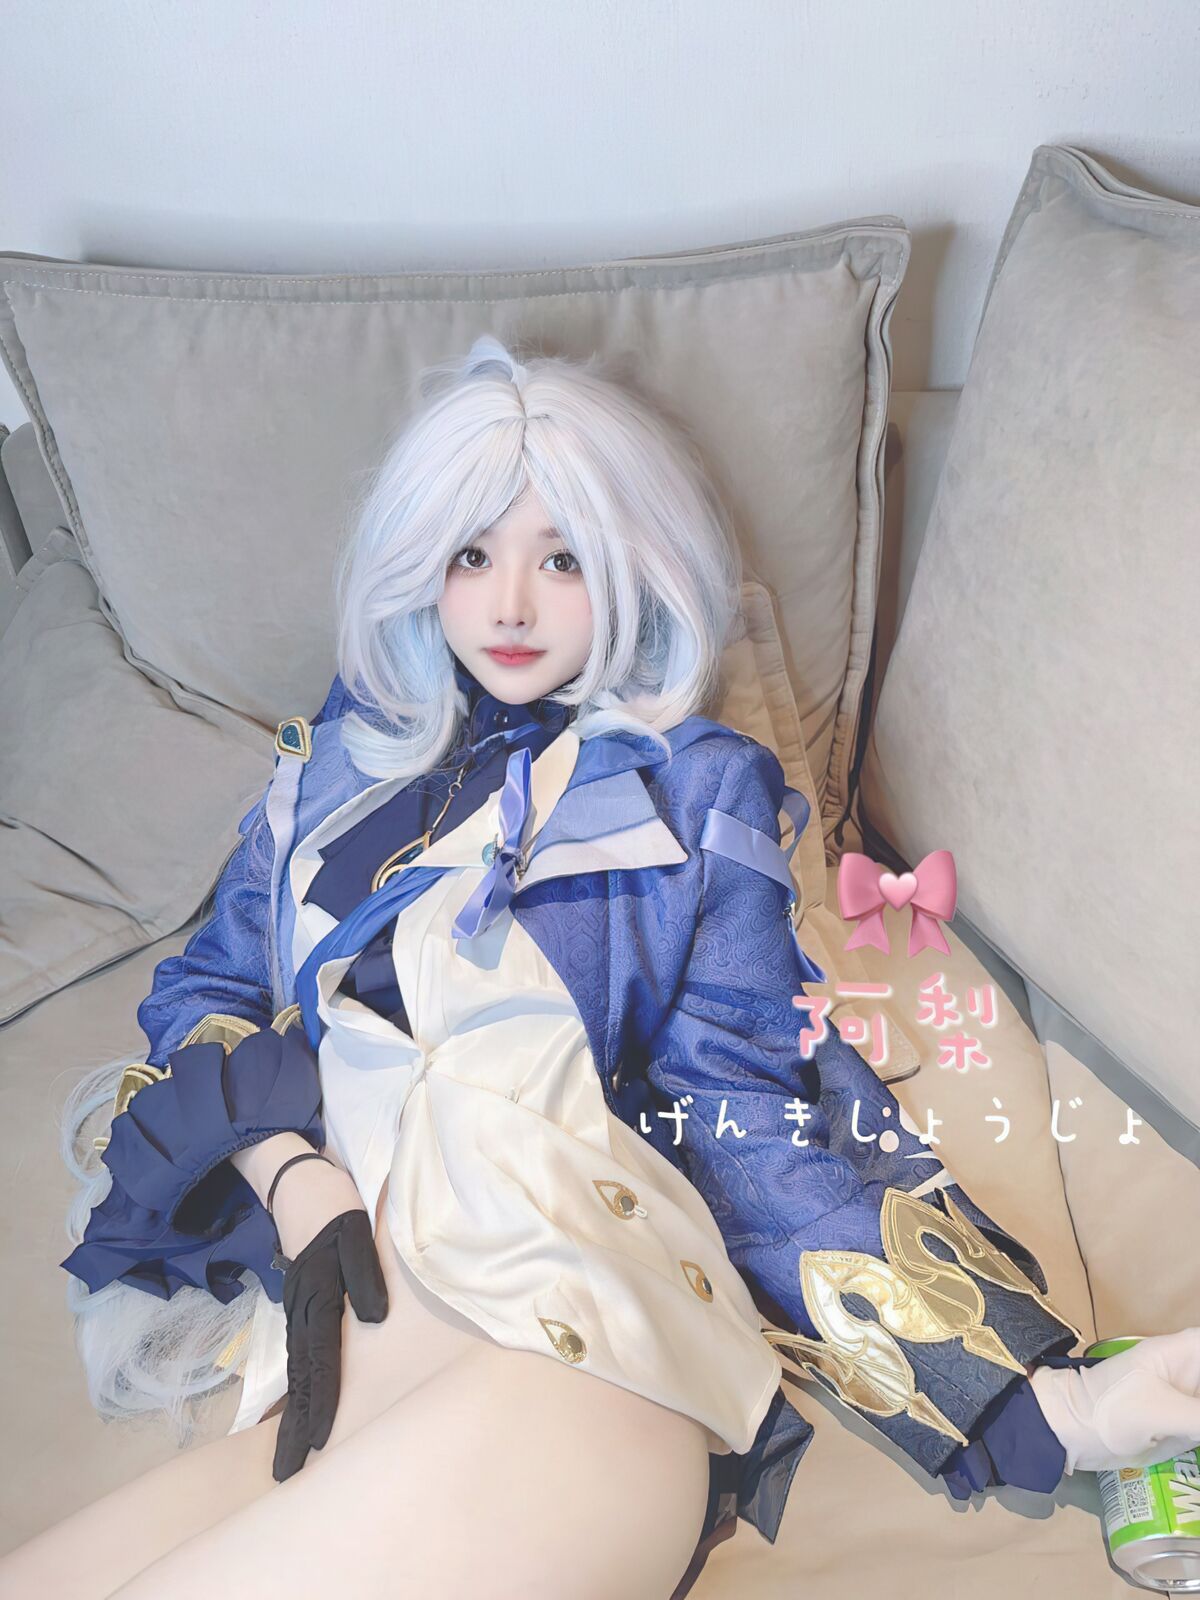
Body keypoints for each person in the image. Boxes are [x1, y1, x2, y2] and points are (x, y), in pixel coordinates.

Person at [3, 337, 1198, 1600]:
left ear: (635, 565)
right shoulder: (343, 755)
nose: (510, 605)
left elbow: (751, 1127)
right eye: (472, 555)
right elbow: (206, 991)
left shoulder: (697, 794)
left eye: (563, 558)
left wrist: (1046, 1407)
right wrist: (291, 1172)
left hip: (576, 1378)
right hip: (343, 1364)